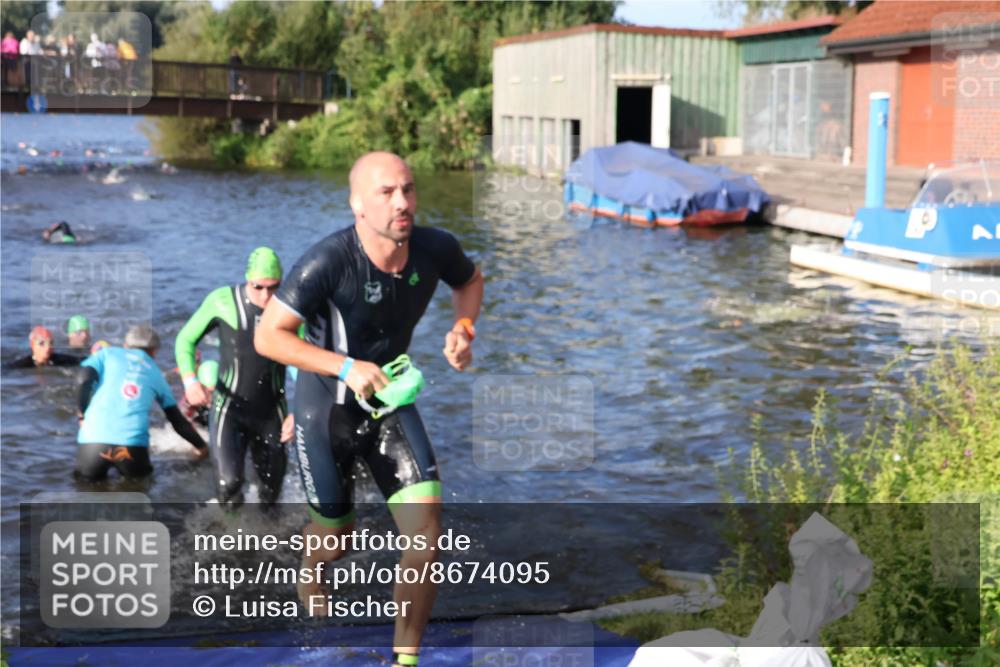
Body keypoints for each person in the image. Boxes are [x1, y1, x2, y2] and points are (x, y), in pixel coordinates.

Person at [254, 151, 484, 667]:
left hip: (389, 399)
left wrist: (463, 330)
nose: (402, 202)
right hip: (325, 407)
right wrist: (343, 366)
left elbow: (470, 282)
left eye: (407, 189)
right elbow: (268, 336)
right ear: (358, 204)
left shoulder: (435, 248)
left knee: (427, 532)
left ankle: (406, 659)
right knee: (337, 539)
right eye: (386, 193)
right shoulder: (327, 261)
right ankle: (310, 570)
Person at [175, 247, 294, 511]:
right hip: (229, 410)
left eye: (274, 287)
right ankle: (232, 543)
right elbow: (185, 339)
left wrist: (300, 411)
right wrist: (190, 381)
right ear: (247, 278)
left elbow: (302, 362)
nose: (266, 296)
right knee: (229, 484)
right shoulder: (223, 300)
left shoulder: (289, 306)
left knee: (271, 492)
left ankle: (269, 542)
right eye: (259, 287)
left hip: (271, 413)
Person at [75, 324, 207, 481]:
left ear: (125, 345)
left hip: (92, 442)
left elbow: (83, 380)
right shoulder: (155, 372)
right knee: (138, 492)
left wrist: (82, 414)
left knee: (85, 493)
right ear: (154, 352)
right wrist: (202, 447)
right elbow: (177, 420)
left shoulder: (106, 354)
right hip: (132, 447)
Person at [6, 326, 82, 368]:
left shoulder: (59, 359)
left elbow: (82, 360)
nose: (47, 347)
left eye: (50, 343)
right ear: (32, 345)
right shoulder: (22, 364)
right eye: (42, 343)